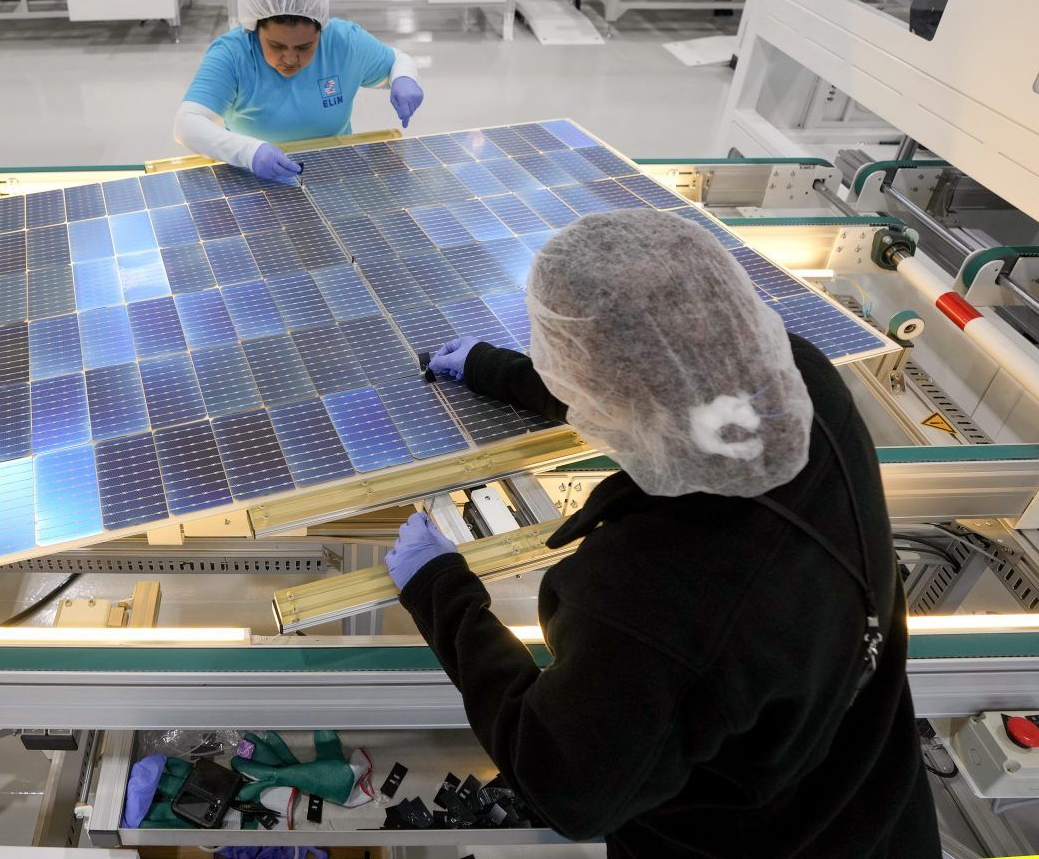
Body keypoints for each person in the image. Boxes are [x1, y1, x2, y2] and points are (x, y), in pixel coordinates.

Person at [387, 208, 940, 858]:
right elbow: (661, 381)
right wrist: (496, 370)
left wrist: (439, 592)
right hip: (882, 803)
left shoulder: (650, 600)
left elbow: (562, 787)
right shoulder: (802, 381)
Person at [173, 0, 423, 186]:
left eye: (304, 47)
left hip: (334, 172)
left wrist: (404, 77)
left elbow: (397, 60)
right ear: (254, 29)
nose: (291, 59)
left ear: (321, 31)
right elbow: (187, 124)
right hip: (254, 177)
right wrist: (249, 152)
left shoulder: (344, 42)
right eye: (277, 46)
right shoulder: (233, 54)